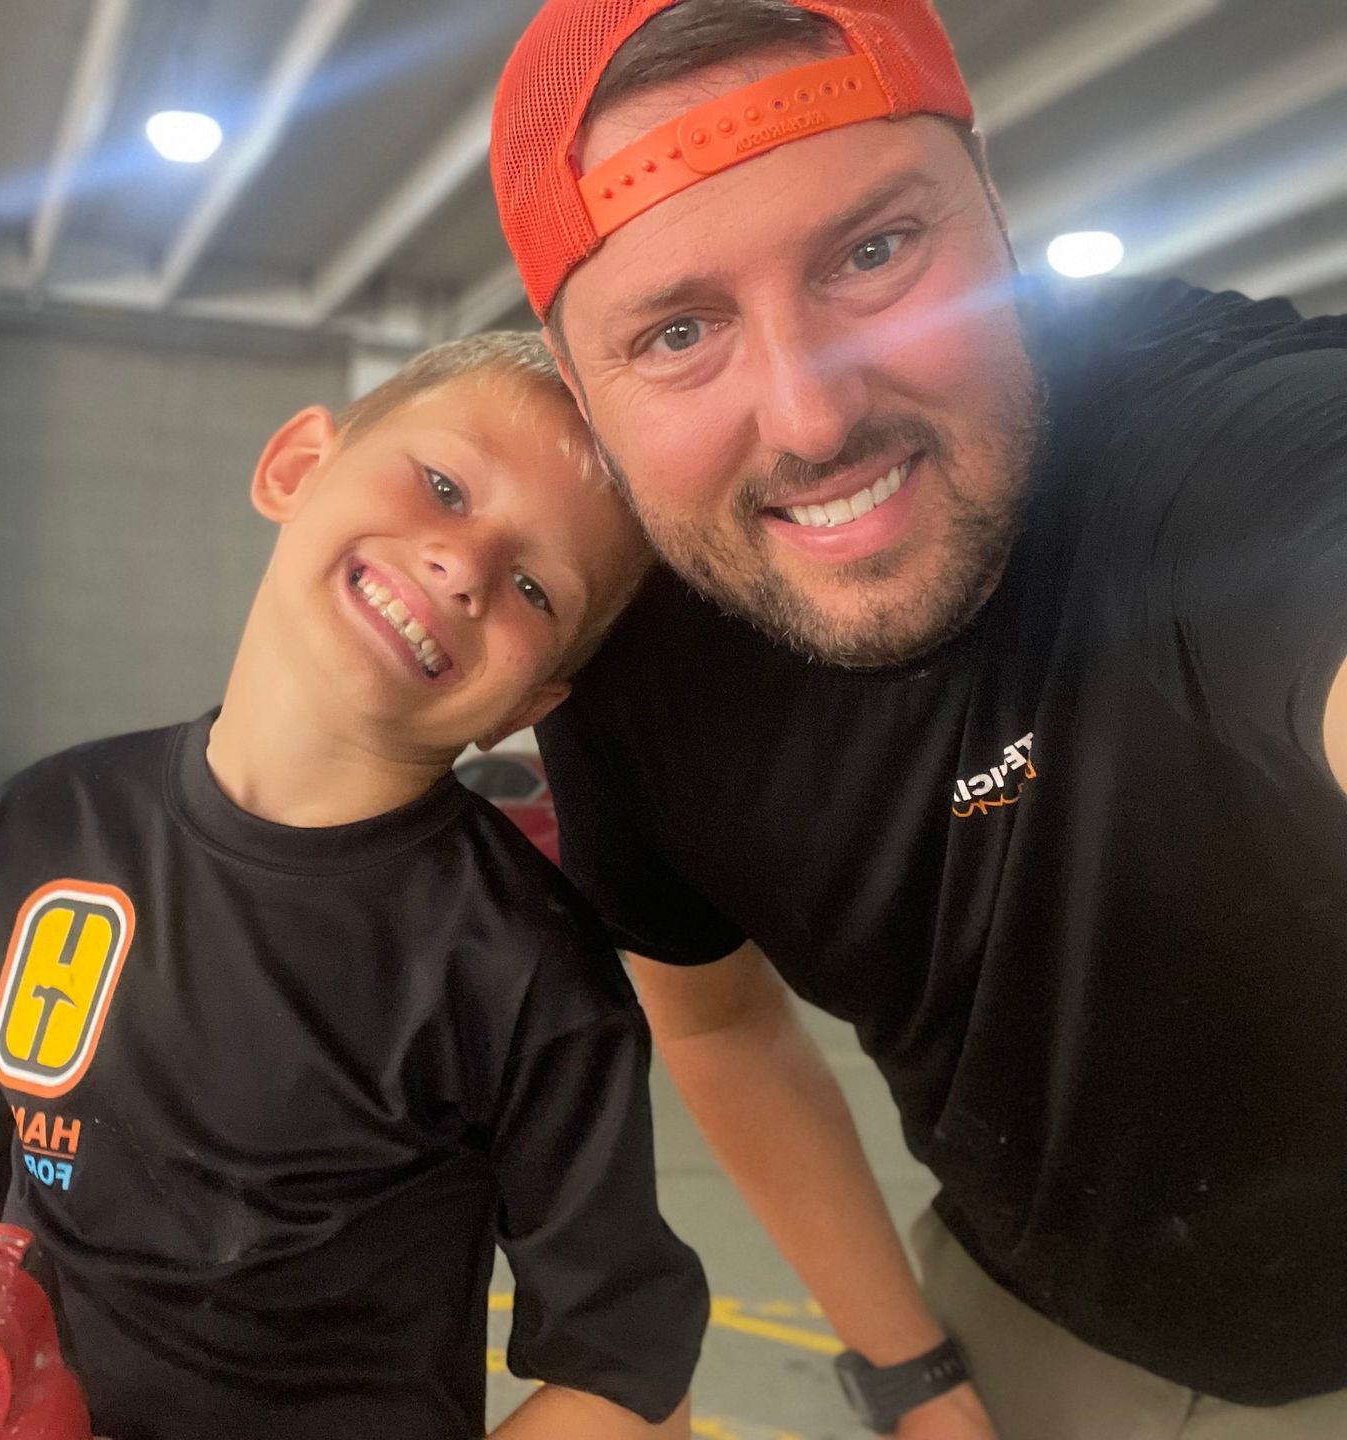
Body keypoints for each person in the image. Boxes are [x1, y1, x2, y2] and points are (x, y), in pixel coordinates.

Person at [488, 1, 1347, 1436]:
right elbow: (711, 1020)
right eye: (681, 331)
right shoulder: (630, 670)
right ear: (584, 395)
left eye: (875, 251)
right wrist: (905, 1365)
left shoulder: (1197, 426)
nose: (812, 417)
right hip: (1028, 1323)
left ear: (996, 222)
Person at [0, 332, 707, 1440]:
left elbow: (629, 1368)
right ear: (296, 466)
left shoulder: (524, 964)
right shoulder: (43, 825)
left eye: (534, 587)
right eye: (446, 484)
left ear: (529, 706)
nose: (464, 566)